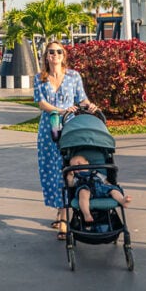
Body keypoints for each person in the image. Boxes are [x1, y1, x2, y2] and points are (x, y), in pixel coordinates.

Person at [33, 40, 99, 239]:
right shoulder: (40, 78)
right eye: (51, 52)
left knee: (66, 168)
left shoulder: (73, 76)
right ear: (46, 56)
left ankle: (63, 217)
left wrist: (91, 106)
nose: (54, 55)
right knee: (51, 170)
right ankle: (60, 210)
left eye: (58, 51)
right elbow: (41, 103)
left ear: (64, 55)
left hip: (69, 128)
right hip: (49, 129)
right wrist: (60, 110)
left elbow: (82, 98)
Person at [65, 154, 131, 228]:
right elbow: (71, 185)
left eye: (79, 164)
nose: (78, 167)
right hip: (86, 189)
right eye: (74, 167)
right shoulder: (77, 177)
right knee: (83, 193)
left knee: (113, 190)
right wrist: (70, 177)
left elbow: (105, 181)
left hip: (100, 188)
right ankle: (86, 214)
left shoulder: (96, 172)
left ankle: (122, 201)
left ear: (87, 163)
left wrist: (110, 186)